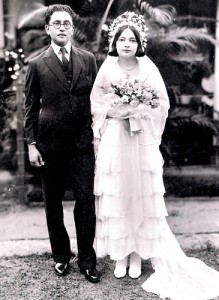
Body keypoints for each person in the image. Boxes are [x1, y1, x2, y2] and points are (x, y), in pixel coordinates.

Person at [90, 11, 219, 299]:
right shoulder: (107, 69)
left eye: (131, 40)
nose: (126, 44)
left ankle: (138, 255)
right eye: (122, 39)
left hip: (140, 139)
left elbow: (161, 104)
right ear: (115, 43)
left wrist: (139, 109)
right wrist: (115, 109)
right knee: (119, 192)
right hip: (115, 139)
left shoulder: (147, 69)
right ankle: (121, 255)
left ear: (139, 44)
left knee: (141, 193)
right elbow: (96, 103)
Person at [24, 4, 100, 283]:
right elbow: (30, 107)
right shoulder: (36, 64)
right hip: (49, 145)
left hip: (82, 144)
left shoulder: (88, 59)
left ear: (71, 27)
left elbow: (97, 101)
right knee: (52, 204)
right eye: (56, 23)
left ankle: (87, 260)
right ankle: (60, 256)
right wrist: (32, 144)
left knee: (85, 201)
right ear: (48, 29)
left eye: (66, 23)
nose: (62, 27)